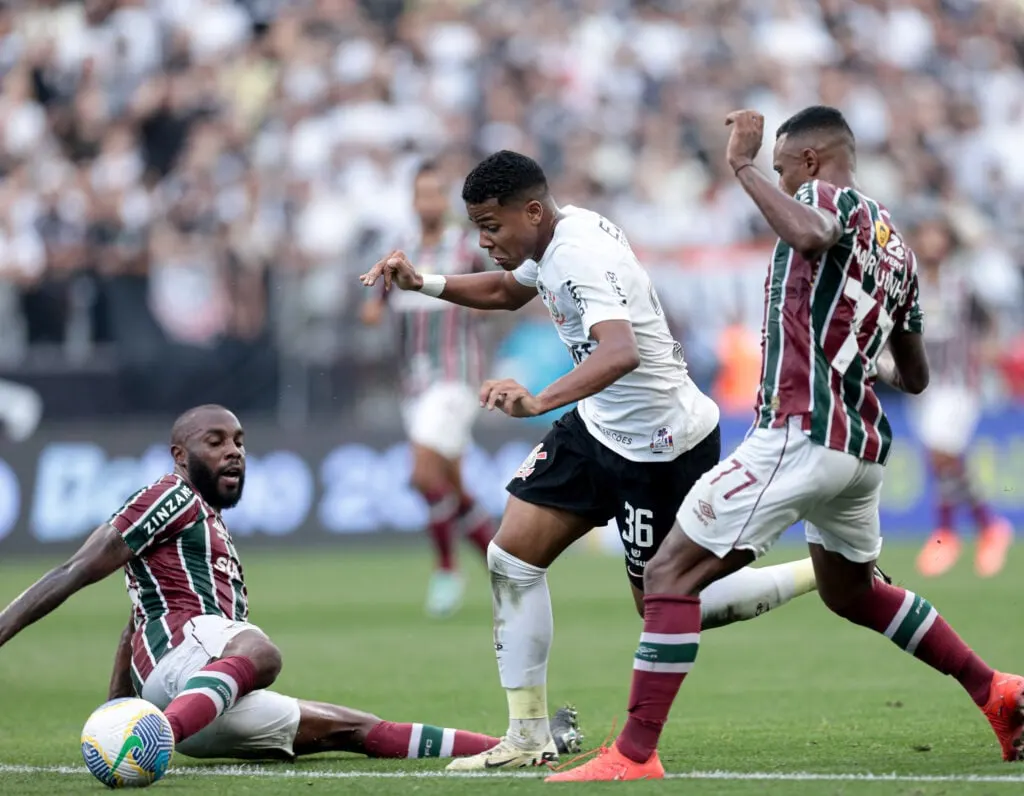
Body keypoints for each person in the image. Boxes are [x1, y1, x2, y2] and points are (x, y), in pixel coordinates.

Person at [546, 106, 1024, 783]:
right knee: (852, 592)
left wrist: (741, 166)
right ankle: (996, 690)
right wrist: (856, 353)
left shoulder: (826, 199)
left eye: (781, 169)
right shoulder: (901, 250)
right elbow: (914, 376)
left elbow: (812, 229)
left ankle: (633, 753)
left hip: (800, 432)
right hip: (858, 449)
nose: (778, 183)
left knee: (668, 575)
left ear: (808, 160)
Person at [360, 150, 826, 771]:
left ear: (531, 211)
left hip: (662, 445)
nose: (484, 241)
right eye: (476, 227)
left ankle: (821, 571)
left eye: (491, 226)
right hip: (598, 428)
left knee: (666, 601)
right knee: (511, 558)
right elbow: (503, 291)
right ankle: (527, 735)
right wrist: (427, 283)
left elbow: (620, 351)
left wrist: (538, 401)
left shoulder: (579, 252)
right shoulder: (553, 236)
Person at [0, 404, 581, 763]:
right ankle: (155, 735)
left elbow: (137, 617)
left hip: (198, 705)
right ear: (180, 456)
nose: (234, 452)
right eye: (216, 441)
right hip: (190, 669)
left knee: (354, 729)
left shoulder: (206, 530)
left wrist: (115, 714)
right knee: (258, 647)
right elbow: (74, 570)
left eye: (240, 442)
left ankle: (524, 745)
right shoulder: (168, 495)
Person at [361, 161, 496, 618]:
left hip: (456, 377)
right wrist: (375, 305)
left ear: (447, 201)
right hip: (414, 383)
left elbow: (497, 288)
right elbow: (375, 301)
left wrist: (481, 310)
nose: (429, 203)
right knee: (452, 486)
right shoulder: (402, 251)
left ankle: (446, 569)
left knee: (422, 474)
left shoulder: (466, 247)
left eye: (437, 194)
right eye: (422, 195)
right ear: (413, 202)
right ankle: (504, 565)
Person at [906, 216, 1012, 578]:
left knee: (941, 452)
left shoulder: (961, 284)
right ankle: (987, 526)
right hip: (923, 386)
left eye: (937, 235)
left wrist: (989, 349)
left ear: (947, 242)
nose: (931, 242)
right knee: (941, 460)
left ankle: (947, 533)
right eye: (925, 235)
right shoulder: (912, 285)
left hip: (958, 384)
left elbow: (990, 321)